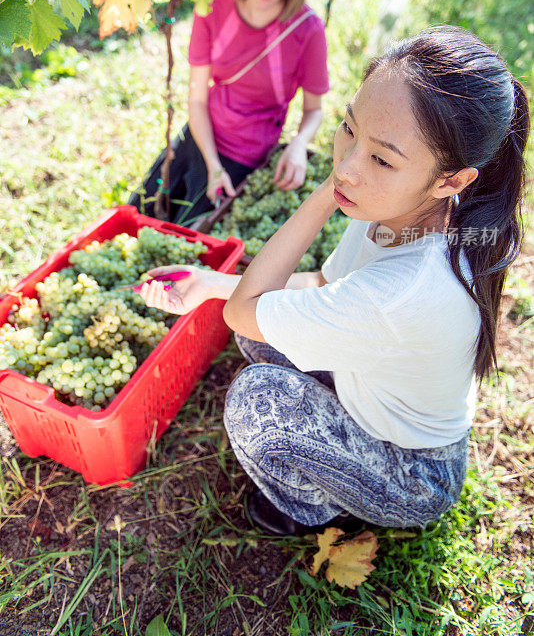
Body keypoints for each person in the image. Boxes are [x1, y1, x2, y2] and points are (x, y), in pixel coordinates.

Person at [136, 27, 530, 535]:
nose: (346, 166)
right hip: (372, 390)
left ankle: (312, 508)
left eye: (381, 158)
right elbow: (320, 282)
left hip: (412, 471)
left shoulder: (404, 288)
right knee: (260, 323)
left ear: (451, 180)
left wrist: (324, 194)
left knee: (258, 398)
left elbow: (246, 308)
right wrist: (211, 282)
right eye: (349, 128)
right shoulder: (408, 203)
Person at [129, 0, 329, 225]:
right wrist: (211, 164)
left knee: (188, 239)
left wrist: (298, 144)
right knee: (138, 216)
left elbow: (314, 110)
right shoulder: (212, 3)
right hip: (199, 135)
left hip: (245, 158)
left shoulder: (307, 30)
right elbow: (196, 98)